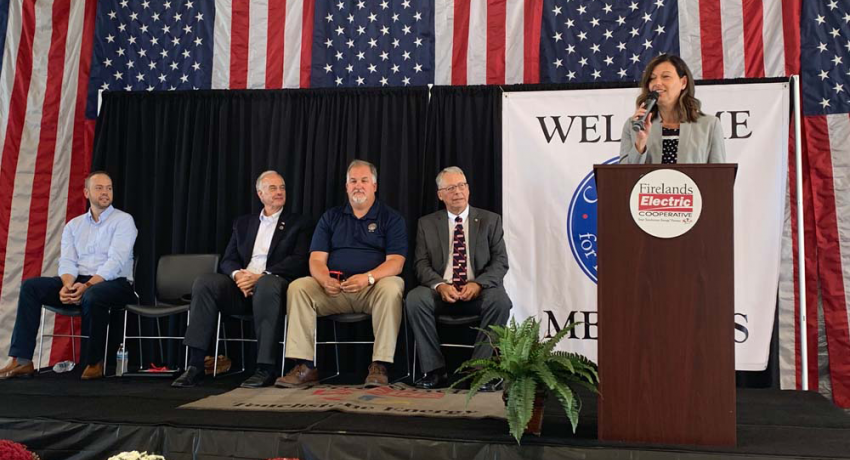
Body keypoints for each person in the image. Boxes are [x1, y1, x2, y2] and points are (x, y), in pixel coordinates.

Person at [172, 171, 312, 388]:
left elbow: (299, 260)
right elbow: (228, 259)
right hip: (241, 288)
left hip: (274, 288)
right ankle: (195, 364)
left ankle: (265, 368)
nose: (279, 192)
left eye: (282, 188)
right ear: (260, 193)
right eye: (273, 188)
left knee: (267, 284)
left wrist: (260, 276)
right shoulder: (243, 223)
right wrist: (239, 277)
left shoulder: (298, 223)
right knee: (205, 282)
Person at [276, 159, 406, 388]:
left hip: (372, 289)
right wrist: (324, 279)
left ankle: (379, 365)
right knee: (298, 287)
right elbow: (316, 259)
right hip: (334, 290)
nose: (358, 185)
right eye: (353, 181)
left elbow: (396, 262)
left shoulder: (391, 218)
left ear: (374, 186)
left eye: (364, 180)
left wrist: (368, 277)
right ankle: (305, 366)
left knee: (393, 285)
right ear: (346, 187)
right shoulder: (331, 217)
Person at [0, 171, 137, 380]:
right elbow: (67, 261)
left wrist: (88, 285)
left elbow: (115, 262)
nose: (105, 193)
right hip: (78, 281)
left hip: (114, 283)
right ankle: (22, 360)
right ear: (86, 192)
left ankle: (93, 362)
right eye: (99, 188)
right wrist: (67, 285)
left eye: (108, 188)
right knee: (31, 287)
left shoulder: (123, 221)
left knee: (93, 296)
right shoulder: (74, 225)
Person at [406, 167, 511, 390]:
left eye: (462, 185)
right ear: (440, 194)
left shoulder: (490, 220)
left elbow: (500, 262)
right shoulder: (427, 224)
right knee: (415, 299)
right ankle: (434, 370)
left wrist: (478, 284)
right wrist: (440, 285)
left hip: (478, 290)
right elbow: (421, 264)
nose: (458, 192)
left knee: (500, 300)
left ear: (468, 189)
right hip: (440, 292)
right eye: (450, 188)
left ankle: (481, 371)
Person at [620, 54, 726, 164]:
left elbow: (718, 176)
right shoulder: (633, 125)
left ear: (683, 82)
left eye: (666, 77)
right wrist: (640, 143)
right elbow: (625, 176)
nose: (657, 83)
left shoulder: (710, 125)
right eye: (652, 78)